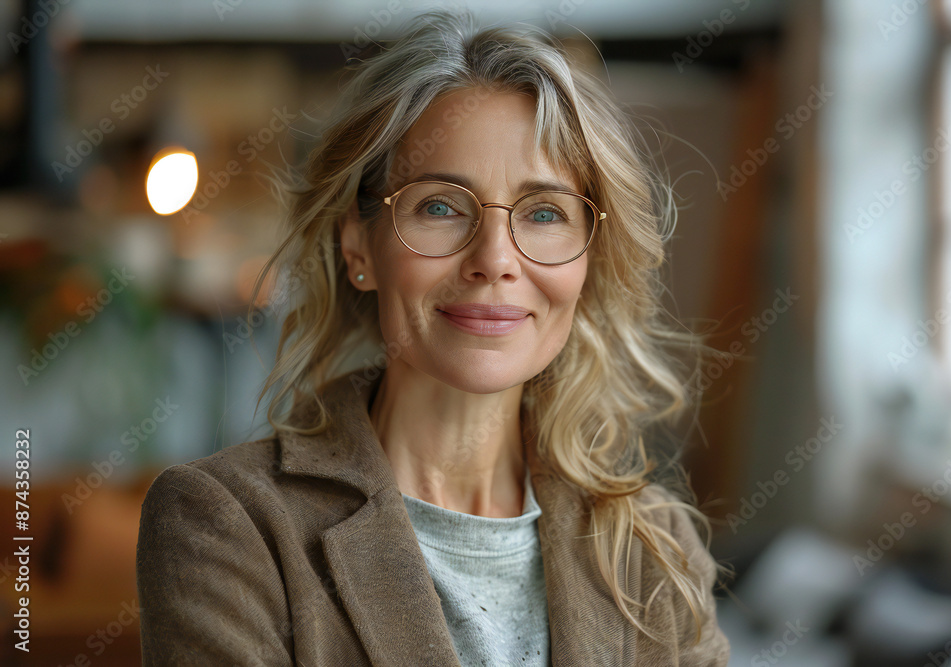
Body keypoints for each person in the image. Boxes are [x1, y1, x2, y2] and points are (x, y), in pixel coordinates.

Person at [136, 9, 730, 666]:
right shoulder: (227, 525)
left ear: (589, 259)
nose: (495, 259)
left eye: (543, 213)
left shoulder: (655, 546)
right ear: (359, 245)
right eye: (441, 206)